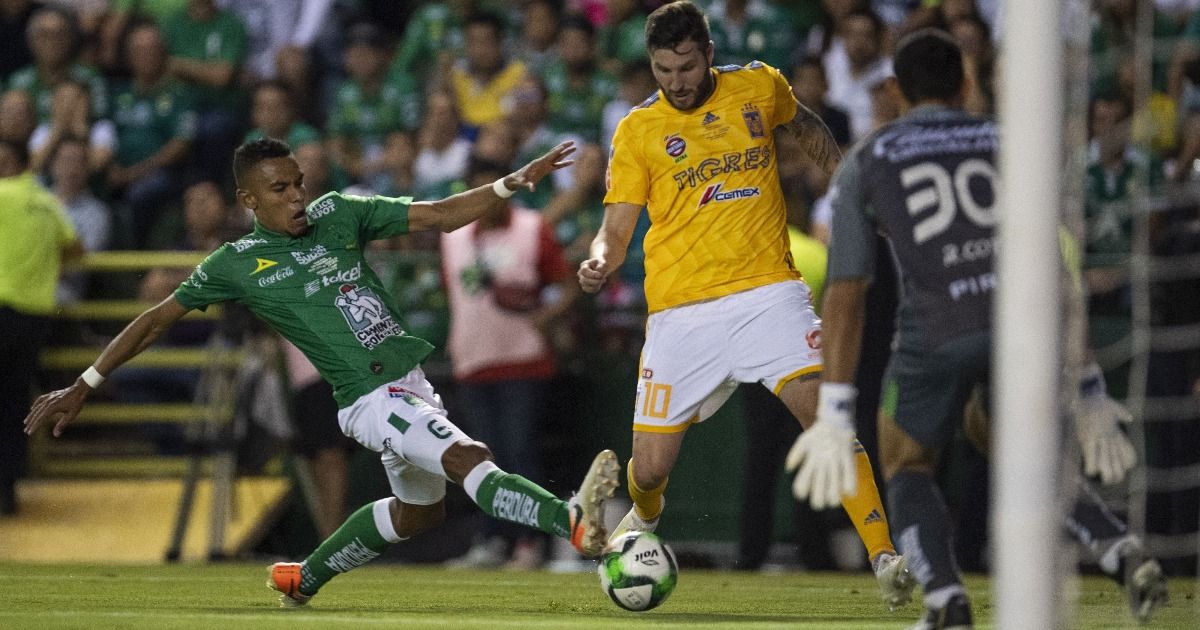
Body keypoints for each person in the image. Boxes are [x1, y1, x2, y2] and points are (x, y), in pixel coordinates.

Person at [23, 137, 621, 608]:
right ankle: (572, 522)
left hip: (410, 385)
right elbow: (155, 319)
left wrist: (513, 181)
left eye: (299, 183)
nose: (297, 196)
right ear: (249, 201)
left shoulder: (339, 214)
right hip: (367, 398)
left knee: (421, 513)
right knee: (469, 458)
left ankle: (302, 578)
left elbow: (439, 216)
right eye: (279, 188)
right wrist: (85, 384)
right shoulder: (236, 263)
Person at [786, 30, 1161, 628]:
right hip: (1018, 325)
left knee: (907, 463)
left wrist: (834, 408)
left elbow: (848, 289)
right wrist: (1088, 385)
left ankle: (943, 599)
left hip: (935, 330)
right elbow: (1057, 267)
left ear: (894, 91)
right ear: (966, 83)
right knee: (1015, 449)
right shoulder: (1014, 143)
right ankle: (1119, 548)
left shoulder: (870, 159)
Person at [577, 1, 914, 610]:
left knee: (825, 419)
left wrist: (848, 187)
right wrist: (601, 256)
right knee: (650, 470)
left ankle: (885, 558)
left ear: (708, 53)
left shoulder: (758, 86)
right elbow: (617, 223)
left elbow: (808, 126)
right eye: (662, 70)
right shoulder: (636, 130)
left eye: (685, 67)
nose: (675, 82)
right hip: (680, 313)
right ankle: (642, 518)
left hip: (768, 295)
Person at [441, 156, 582, 569]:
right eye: (483, 192)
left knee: (519, 453)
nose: (492, 200)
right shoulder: (452, 238)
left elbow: (566, 286)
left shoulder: (532, 227)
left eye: (499, 190)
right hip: (472, 360)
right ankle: (493, 540)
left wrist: (547, 316)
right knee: (481, 458)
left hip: (523, 361)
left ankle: (529, 542)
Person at [0, 138, 82, 515]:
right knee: (15, 402)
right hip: (33, 318)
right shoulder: (49, 203)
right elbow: (75, 250)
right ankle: (7, 491)